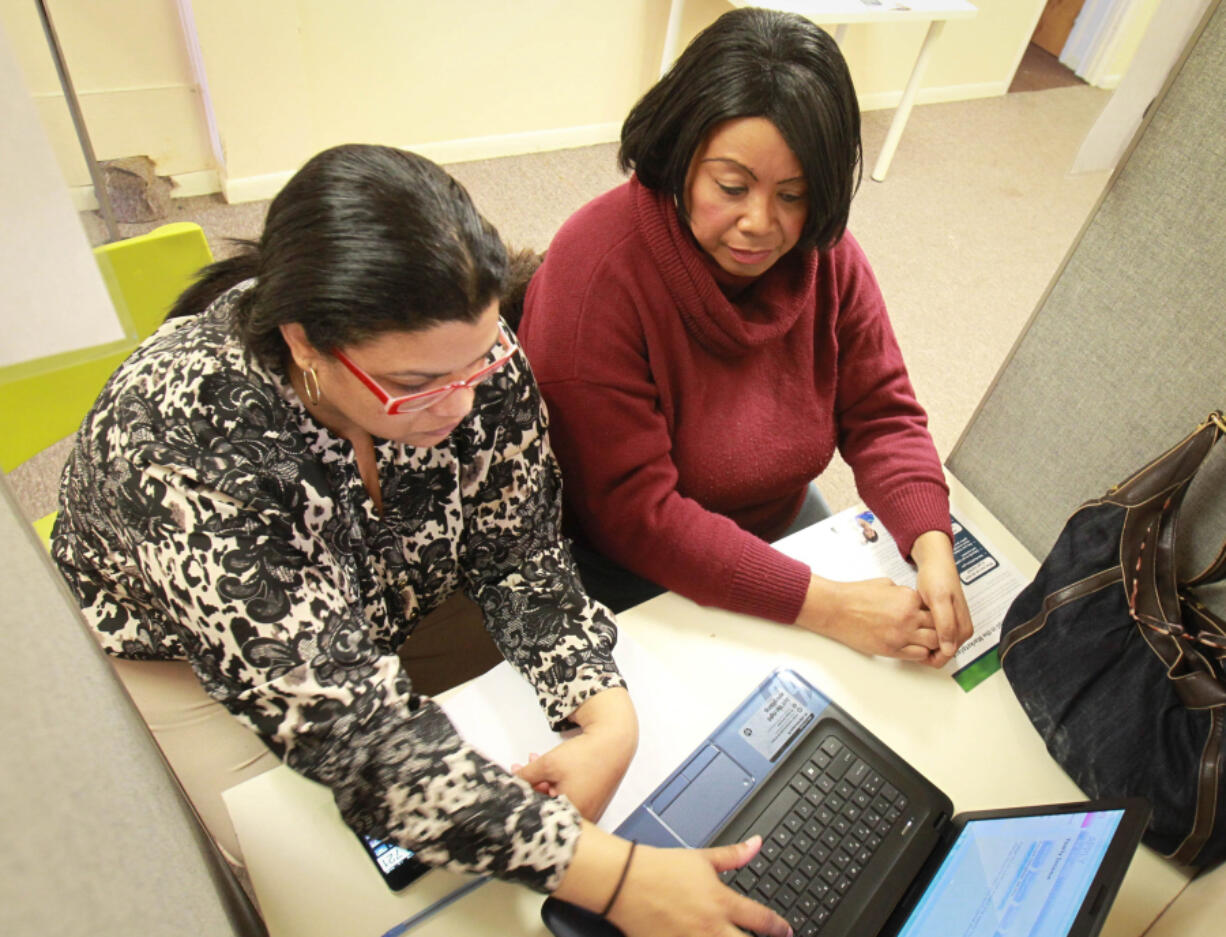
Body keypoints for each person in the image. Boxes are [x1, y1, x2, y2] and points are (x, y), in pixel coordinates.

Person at [52, 144, 790, 937]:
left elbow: (521, 553)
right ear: (305, 342)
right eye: (413, 388)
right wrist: (615, 879)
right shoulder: (185, 441)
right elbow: (357, 736)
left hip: (383, 607)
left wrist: (606, 718)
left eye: (480, 361)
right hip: (182, 668)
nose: (461, 406)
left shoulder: (462, 354)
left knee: (523, 809)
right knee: (345, 892)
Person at [519, 8, 973, 668]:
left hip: (776, 521)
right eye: (732, 186)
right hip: (631, 560)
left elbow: (881, 413)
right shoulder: (595, 276)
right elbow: (637, 517)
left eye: (795, 194)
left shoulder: (829, 258)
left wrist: (932, 543)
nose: (761, 223)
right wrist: (832, 606)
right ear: (679, 156)